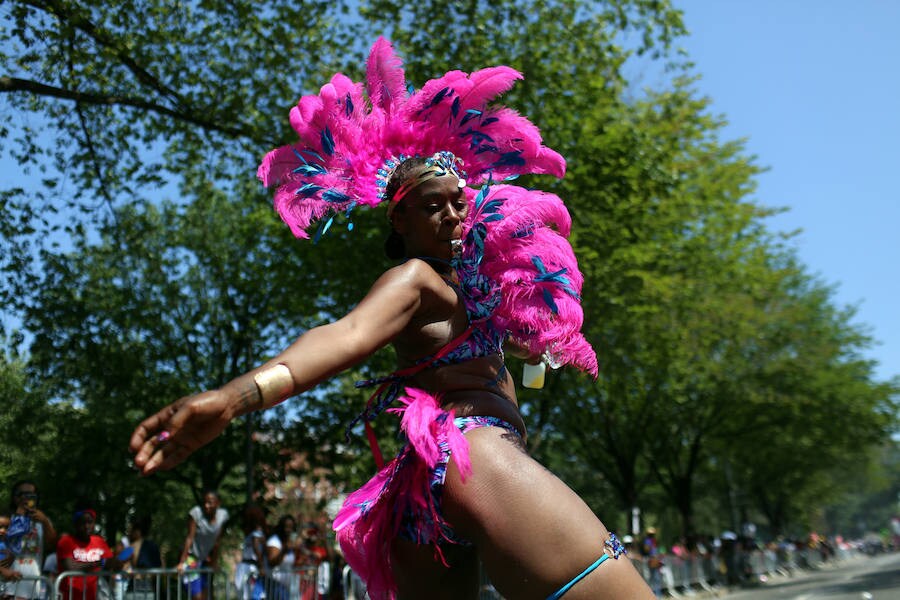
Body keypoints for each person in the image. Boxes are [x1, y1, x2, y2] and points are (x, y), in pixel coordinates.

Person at [130, 37, 654, 600]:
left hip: (424, 493)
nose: (453, 213)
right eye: (433, 205)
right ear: (400, 222)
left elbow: (522, 367)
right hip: (473, 457)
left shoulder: (472, 289)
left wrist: (534, 342)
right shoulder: (416, 280)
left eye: (457, 199)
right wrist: (235, 398)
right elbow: (347, 336)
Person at [55, 507, 126, 600]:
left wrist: (118, 563)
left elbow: (111, 564)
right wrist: (99, 563)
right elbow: (71, 568)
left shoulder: (99, 541)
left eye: (90, 522)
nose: (87, 526)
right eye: (83, 523)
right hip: (69, 596)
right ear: (75, 524)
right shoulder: (65, 542)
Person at [7, 482, 57, 600]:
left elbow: (53, 544)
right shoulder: (7, 519)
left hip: (33, 582)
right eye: (23, 494)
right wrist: (19, 518)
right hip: (10, 582)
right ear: (15, 498)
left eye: (31, 494)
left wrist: (45, 522)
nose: (27, 498)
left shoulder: (42, 520)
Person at [177, 491, 228, 600]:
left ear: (218, 503)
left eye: (210, 503)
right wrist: (182, 562)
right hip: (191, 559)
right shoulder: (196, 513)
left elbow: (217, 542)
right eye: (204, 502)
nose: (206, 505)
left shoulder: (222, 515)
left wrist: (214, 562)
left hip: (204, 561)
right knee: (198, 597)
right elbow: (190, 537)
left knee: (206, 596)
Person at [234, 505, 267, 600]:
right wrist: (261, 565)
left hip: (245, 567)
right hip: (250, 568)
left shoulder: (251, 533)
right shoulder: (257, 533)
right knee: (253, 595)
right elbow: (256, 546)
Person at [265, 515, 297, 600]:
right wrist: (284, 551)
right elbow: (271, 562)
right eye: (286, 527)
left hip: (287, 586)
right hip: (275, 586)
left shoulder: (289, 542)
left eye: (291, 527)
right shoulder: (274, 541)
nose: (289, 530)